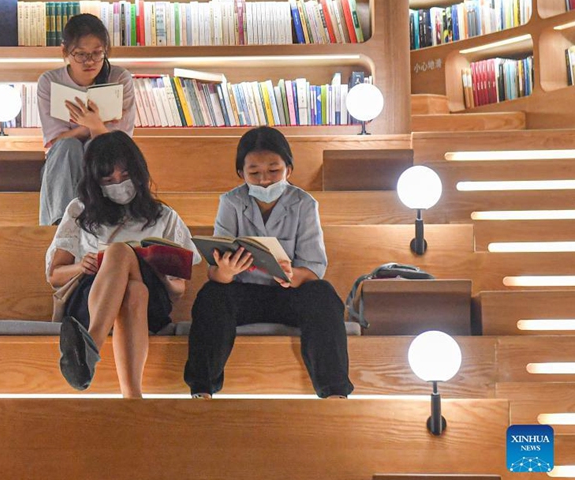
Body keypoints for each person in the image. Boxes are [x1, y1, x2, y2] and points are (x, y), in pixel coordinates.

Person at [183, 126, 354, 399]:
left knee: (324, 295)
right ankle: (201, 390)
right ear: (241, 173)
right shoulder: (230, 202)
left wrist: (292, 274)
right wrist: (225, 271)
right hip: (242, 294)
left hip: (290, 294)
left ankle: (334, 392)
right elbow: (215, 271)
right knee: (211, 296)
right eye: (254, 172)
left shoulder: (304, 204)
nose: (264, 180)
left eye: (274, 170)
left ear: (289, 169)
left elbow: (313, 270)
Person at [46, 131, 200, 398]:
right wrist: (81, 266)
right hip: (92, 299)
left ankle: (88, 346)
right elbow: (55, 276)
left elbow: (178, 291)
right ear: (96, 182)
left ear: (138, 173)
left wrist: (164, 276)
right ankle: (133, 398)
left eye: (125, 176)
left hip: (154, 300)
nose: (118, 184)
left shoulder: (164, 217)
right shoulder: (79, 211)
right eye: (108, 179)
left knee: (125, 262)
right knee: (133, 289)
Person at [37, 13, 136, 225]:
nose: (89, 62)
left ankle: (106, 223)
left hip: (109, 158)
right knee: (68, 147)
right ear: (65, 52)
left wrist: (94, 128)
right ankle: (61, 226)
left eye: (97, 53)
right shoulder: (49, 81)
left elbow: (122, 142)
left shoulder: (120, 78)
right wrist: (94, 125)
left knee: (96, 145)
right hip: (63, 162)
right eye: (80, 54)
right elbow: (55, 142)